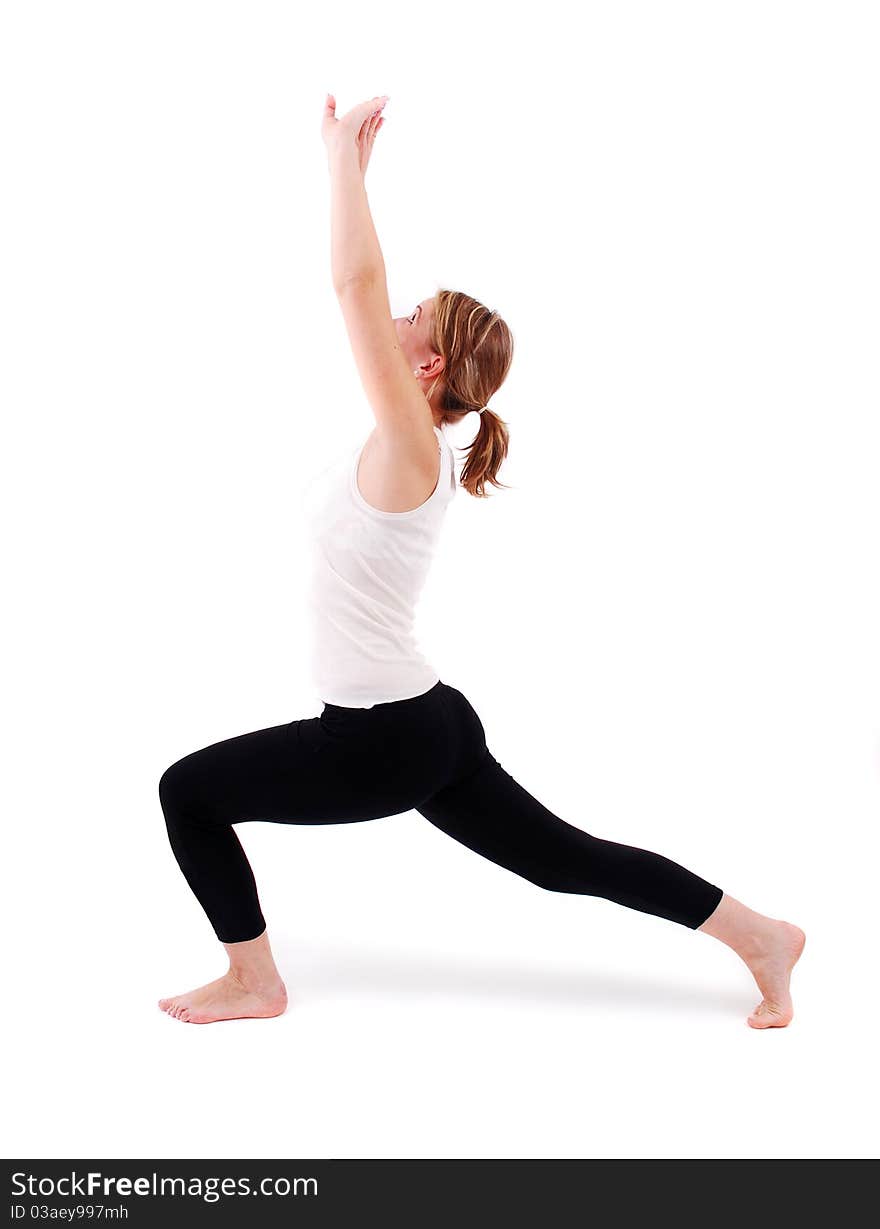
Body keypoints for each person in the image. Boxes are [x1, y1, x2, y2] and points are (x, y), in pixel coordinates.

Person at [157, 93, 805, 1029]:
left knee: (188, 791)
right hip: (427, 722)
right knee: (565, 860)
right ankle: (763, 935)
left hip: (380, 738)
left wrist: (343, 166)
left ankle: (255, 981)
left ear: (424, 367)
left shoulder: (413, 446)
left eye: (412, 315)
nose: (396, 312)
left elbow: (352, 287)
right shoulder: (411, 445)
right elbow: (367, 297)